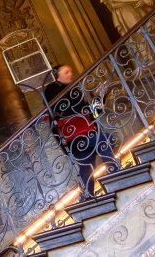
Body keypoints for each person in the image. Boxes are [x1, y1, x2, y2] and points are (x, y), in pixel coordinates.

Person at [44, 64, 119, 197]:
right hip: (76, 136)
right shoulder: (53, 89)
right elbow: (62, 112)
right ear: (57, 76)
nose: (70, 74)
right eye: (66, 72)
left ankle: (89, 197)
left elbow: (93, 114)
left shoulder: (75, 91)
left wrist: (99, 97)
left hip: (80, 136)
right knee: (107, 140)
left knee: (87, 168)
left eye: (70, 71)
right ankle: (115, 175)